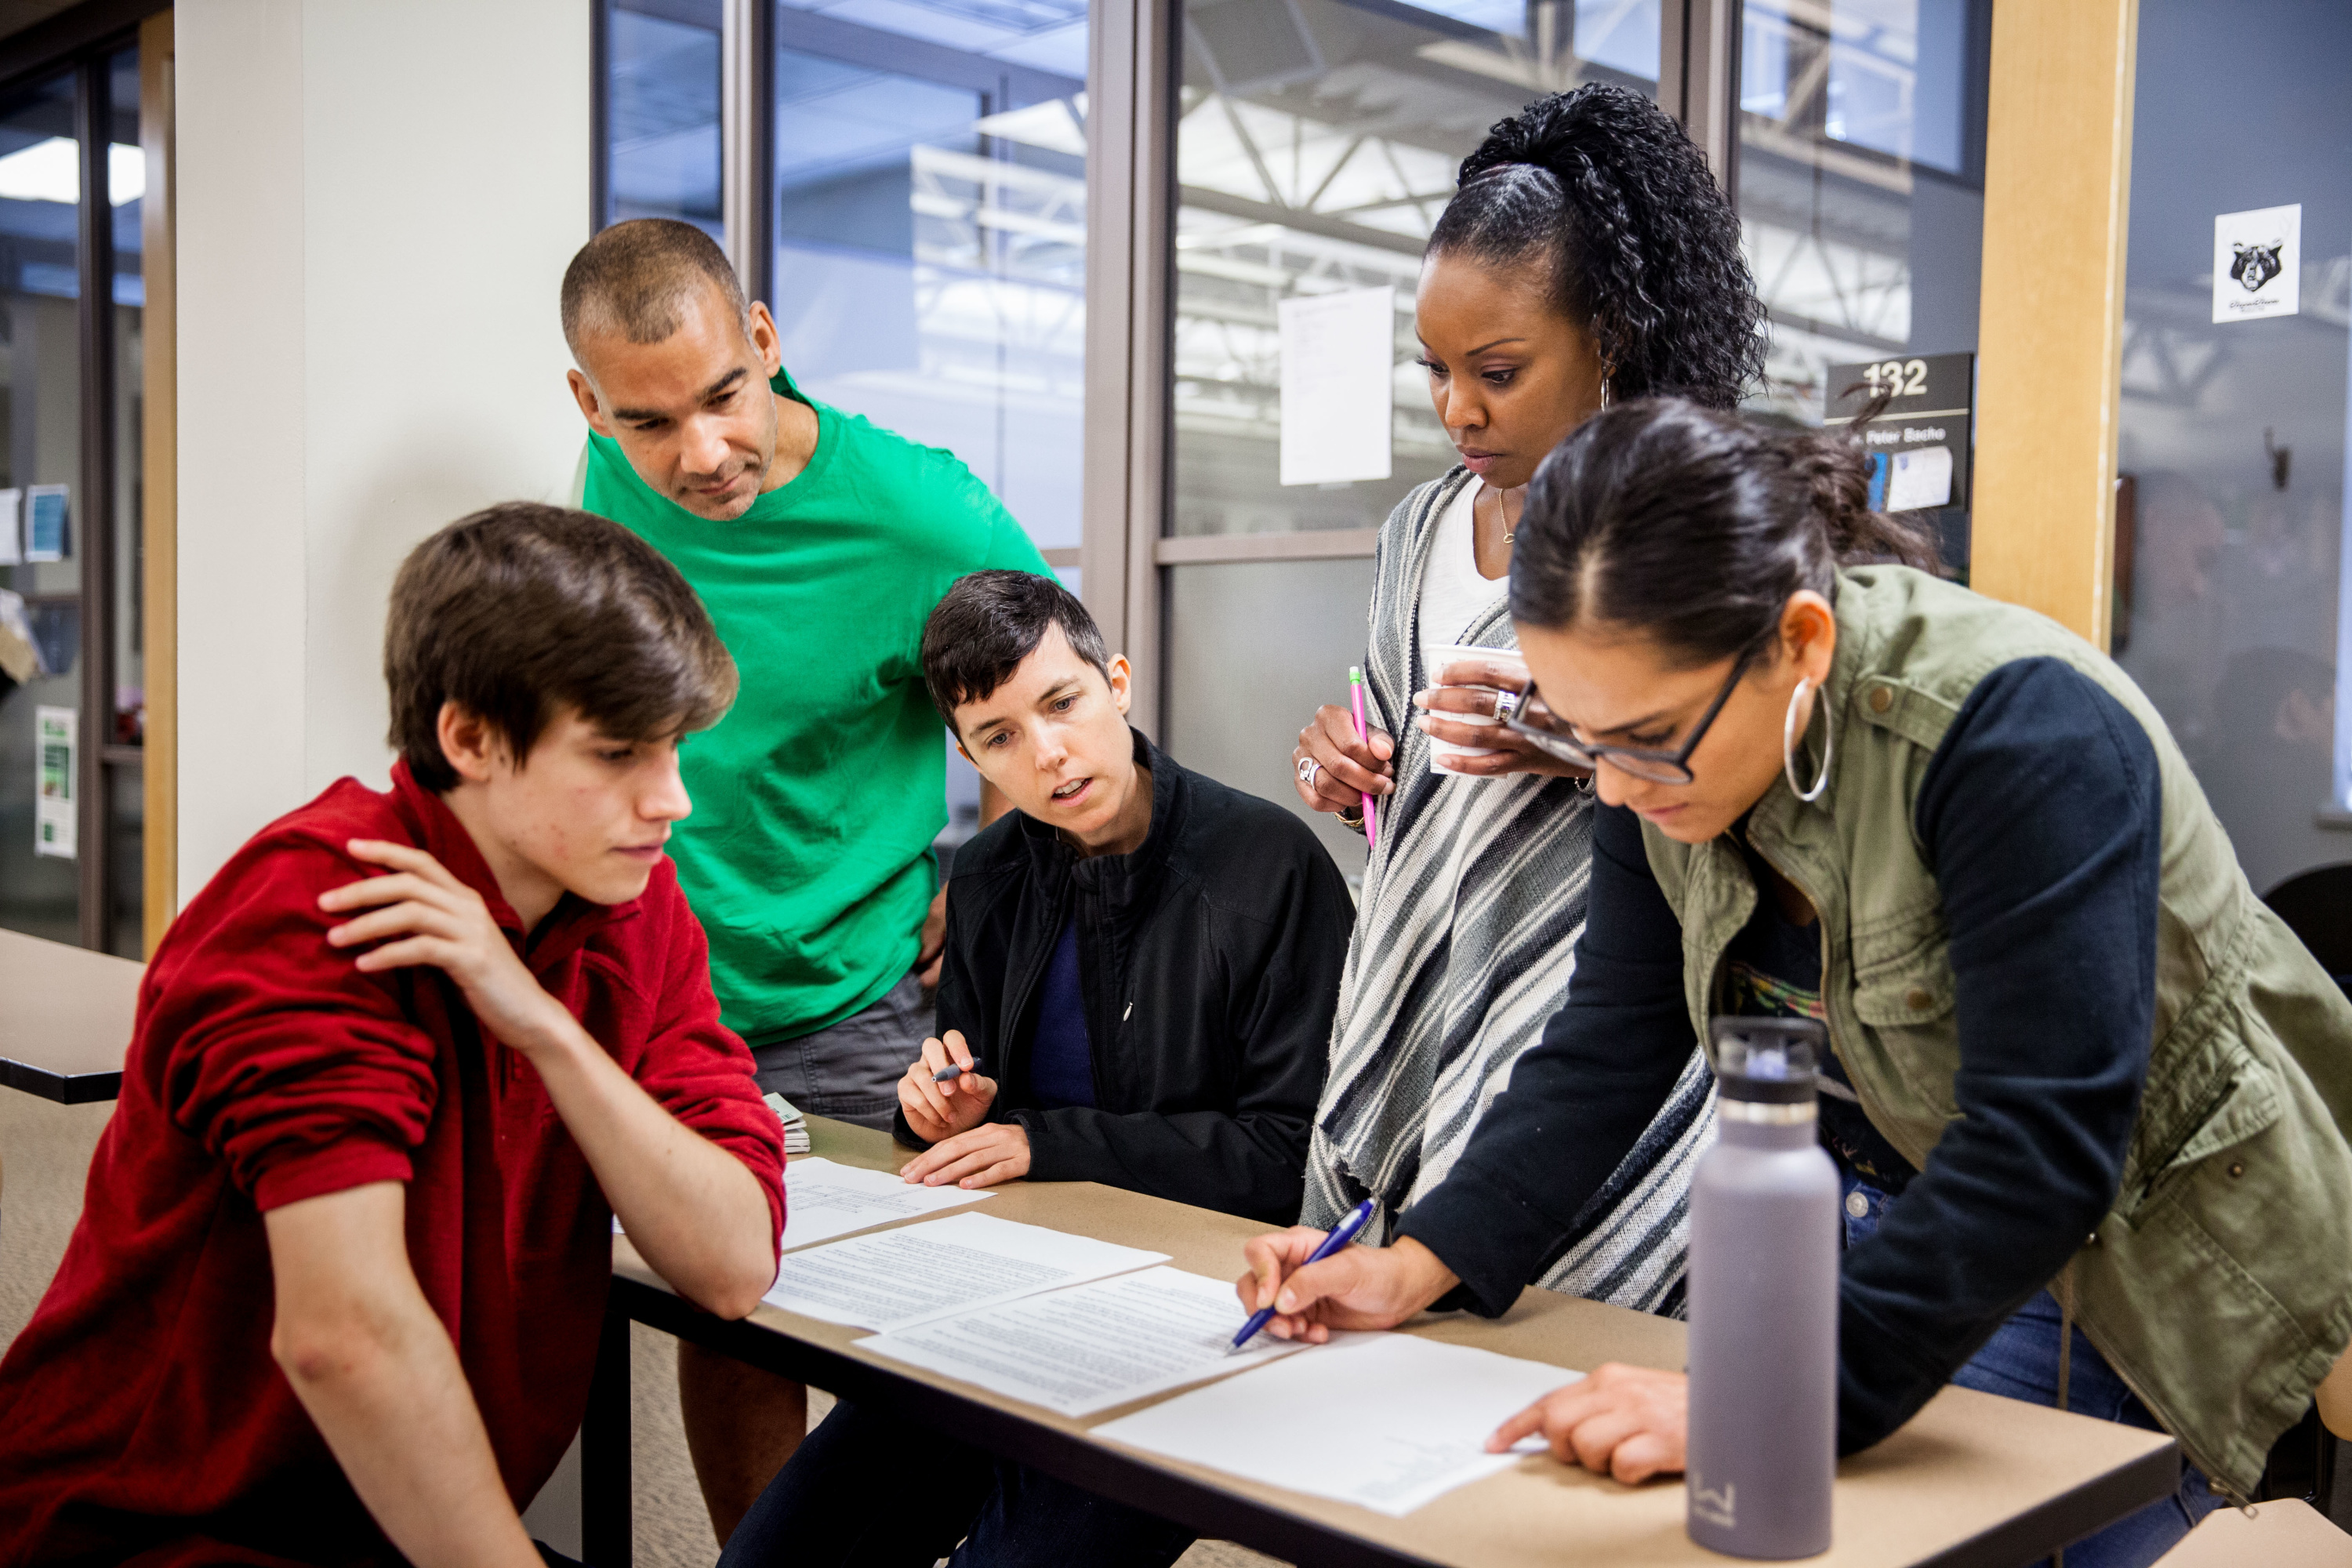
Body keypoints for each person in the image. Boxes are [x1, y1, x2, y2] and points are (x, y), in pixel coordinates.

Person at [1240, 399, 2352, 1566]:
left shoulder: (2019, 731)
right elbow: (1612, 1038)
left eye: (1644, 740)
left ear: (1802, 643)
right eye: (1581, 735)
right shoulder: (1656, 748)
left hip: (2151, 1249)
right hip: (1910, 1219)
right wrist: (1412, 1264)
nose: (1611, 791)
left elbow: (2044, 1139)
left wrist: (1767, 1407)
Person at [0, 504, 786, 1566]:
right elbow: (345, 1340)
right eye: (618, 754)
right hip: (153, 1529)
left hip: (394, 1530)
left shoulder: (637, 905)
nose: (673, 799)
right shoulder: (317, 909)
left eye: (677, 750)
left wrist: (544, 1029)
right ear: (468, 738)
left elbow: (733, 1264)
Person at [561, 217, 1050, 1530]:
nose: (703, 454)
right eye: (651, 423)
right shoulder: (609, 477)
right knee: (727, 1309)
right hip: (660, 987)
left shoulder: (915, 507)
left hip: (857, 984)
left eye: (726, 396)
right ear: (590, 407)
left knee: (912, 1317)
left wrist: (985, 867)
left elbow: (1042, 688)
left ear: (766, 343)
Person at [720, 569, 1352, 1568]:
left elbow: (1292, 1158)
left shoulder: (1267, 864)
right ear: (966, 753)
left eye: (1062, 703)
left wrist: (1038, 1139)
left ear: (1118, 682)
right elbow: (985, 1110)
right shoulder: (987, 871)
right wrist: (942, 1111)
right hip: (1010, 1296)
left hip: (1190, 1314)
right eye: (1000, 736)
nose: (1048, 752)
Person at [1287, 83, 1763, 1309]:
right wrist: (1348, 769)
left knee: (1550, 1376)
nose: (1458, 408)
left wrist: (1574, 741)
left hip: (1601, 1001)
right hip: (1421, 973)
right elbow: (1413, 778)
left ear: (1611, 332)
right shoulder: (1417, 529)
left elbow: (1760, 781)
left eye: (1497, 369)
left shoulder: (1683, 530)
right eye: (1437, 370)